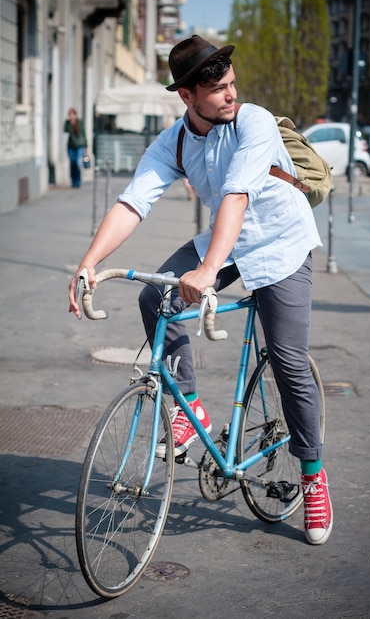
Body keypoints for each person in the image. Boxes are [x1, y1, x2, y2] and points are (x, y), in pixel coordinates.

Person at [68, 35, 333, 545]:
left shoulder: (252, 121)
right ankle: (190, 406)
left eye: (232, 84)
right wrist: (89, 262)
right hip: (227, 242)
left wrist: (208, 270)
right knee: (155, 296)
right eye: (218, 90)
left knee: (287, 359)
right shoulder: (175, 141)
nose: (231, 95)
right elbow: (132, 203)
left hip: (281, 241)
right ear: (188, 97)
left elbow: (235, 195)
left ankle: (313, 475)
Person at [64, 107, 87, 187]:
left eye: (72, 115)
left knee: (77, 163)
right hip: (70, 146)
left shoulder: (80, 123)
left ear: (75, 115)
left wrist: (86, 145)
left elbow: (84, 133)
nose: (71, 116)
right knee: (72, 163)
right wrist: (70, 123)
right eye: (70, 115)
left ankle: (78, 180)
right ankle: (73, 181)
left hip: (79, 145)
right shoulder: (68, 123)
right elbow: (65, 130)